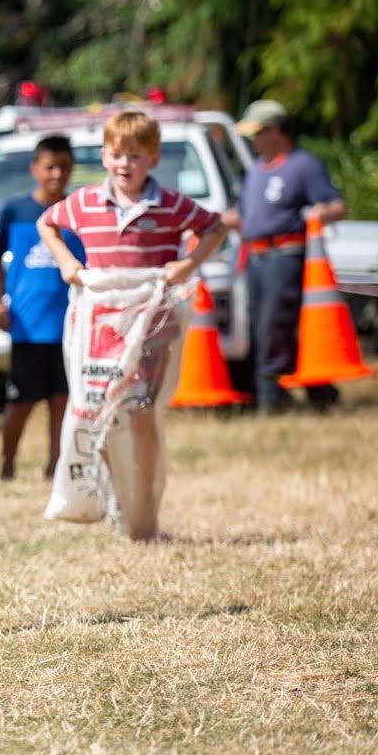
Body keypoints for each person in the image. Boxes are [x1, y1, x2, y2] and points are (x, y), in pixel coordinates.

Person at [36, 111, 227, 542]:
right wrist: (68, 262)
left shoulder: (170, 205)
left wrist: (189, 263)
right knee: (97, 413)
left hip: (152, 327)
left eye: (135, 156)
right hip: (98, 330)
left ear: (153, 159)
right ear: (104, 156)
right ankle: (112, 501)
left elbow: (214, 228)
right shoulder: (84, 203)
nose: (125, 164)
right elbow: (46, 222)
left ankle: (142, 516)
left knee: (141, 415)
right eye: (118, 155)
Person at [224, 99, 349, 412]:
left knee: (275, 325)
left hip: (285, 254)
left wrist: (321, 213)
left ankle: (272, 396)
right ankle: (317, 391)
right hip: (255, 258)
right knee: (259, 327)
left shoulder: (302, 165)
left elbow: (336, 205)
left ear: (276, 131)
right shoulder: (255, 171)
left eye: (256, 134)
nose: (251, 141)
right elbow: (242, 215)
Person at [0, 134, 84, 481]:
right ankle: (7, 465)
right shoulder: (15, 211)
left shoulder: (78, 211)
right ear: (35, 169)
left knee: (62, 401)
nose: (57, 174)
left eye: (64, 167)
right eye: (50, 167)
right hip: (28, 325)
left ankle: (55, 468)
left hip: (69, 325)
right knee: (22, 401)